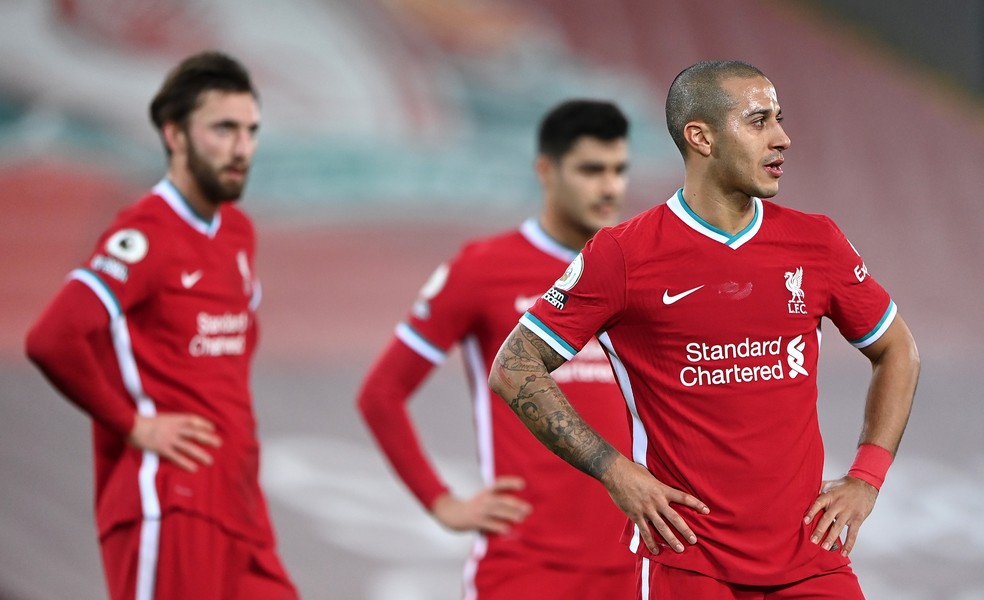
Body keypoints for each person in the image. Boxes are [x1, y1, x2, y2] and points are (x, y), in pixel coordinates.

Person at [488, 60, 920, 599]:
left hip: (810, 557)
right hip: (689, 563)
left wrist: (867, 476)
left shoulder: (818, 242)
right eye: (759, 121)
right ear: (701, 137)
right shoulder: (622, 254)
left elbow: (896, 348)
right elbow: (514, 365)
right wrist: (615, 471)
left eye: (779, 119)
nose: (783, 138)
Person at [25, 51, 298, 600]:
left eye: (251, 130)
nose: (242, 148)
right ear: (174, 134)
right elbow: (52, 338)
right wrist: (133, 423)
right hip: (171, 503)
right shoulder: (145, 233)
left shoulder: (238, 232)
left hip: (239, 508)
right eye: (224, 129)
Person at [356, 99, 637, 599]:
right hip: (524, 570)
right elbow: (381, 394)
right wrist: (442, 502)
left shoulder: (640, 269)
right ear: (545, 170)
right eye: (592, 170)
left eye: (619, 169)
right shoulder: (483, 268)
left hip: (636, 567)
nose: (610, 186)